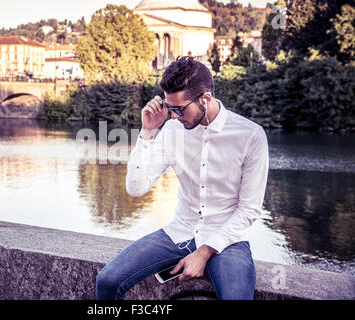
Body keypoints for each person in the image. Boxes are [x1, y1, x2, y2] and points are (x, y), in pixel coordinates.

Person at [95, 56, 269, 300]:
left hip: (227, 240)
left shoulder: (250, 135)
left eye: (179, 109)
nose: (173, 116)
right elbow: (136, 187)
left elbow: (249, 209)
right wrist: (147, 132)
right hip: (180, 232)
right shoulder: (172, 131)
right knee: (107, 281)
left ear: (205, 99)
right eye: (170, 108)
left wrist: (205, 252)